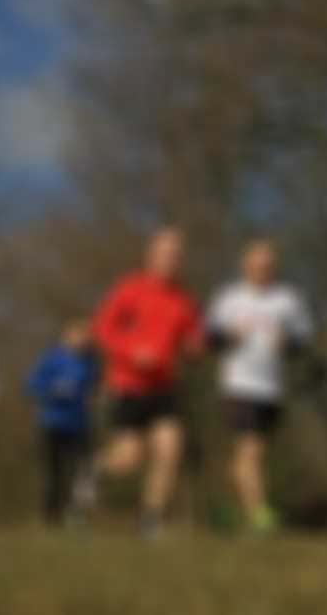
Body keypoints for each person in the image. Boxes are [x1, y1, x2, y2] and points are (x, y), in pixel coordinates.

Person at [94, 227, 202, 538]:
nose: (171, 260)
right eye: (165, 254)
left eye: (176, 255)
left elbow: (193, 338)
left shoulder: (184, 299)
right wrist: (132, 353)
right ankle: (94, 471)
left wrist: (194, 348)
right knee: (129, 458)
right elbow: (103, 329)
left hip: (164, 385)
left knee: (170, 448)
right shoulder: (130, 289)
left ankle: (150, 519)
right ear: (151, 256)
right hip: (128, 383)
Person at [207, 240, 313, 534]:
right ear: (245, 266)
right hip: (238, 384)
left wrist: (287, 343)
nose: (262, 270)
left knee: (251, 454)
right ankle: (259, 516)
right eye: (256, 265)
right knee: (250, 450)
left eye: (267, 266)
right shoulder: (229, 298)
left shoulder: (288, 299)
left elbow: (303, 339)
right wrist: (229, 337)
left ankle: (228, 510)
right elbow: (209, 338)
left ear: (274, 268)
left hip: (272, 387)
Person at [27, 318, 101, 527]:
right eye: (78, 335)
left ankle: (75, 512)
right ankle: (50, 515)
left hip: (81, 423)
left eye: (85, 336)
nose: (82, 340)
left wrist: (93, 397)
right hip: (53, 422)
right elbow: (32, 385)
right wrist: (53, 390)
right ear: (66, 336)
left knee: (82, 470)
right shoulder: (52, 359)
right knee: (54, 470)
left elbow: (95, 387)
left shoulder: (91, 361)